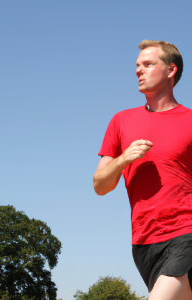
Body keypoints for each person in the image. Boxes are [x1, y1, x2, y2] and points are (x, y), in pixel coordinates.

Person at [93, 40, 192, 300]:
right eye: (137, 65)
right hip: (143, 241)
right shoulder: (121, 121)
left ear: (171, 70)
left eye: (148, 64)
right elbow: (100, 186)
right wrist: (123, 159)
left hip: (186, 231)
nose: (139, 70)